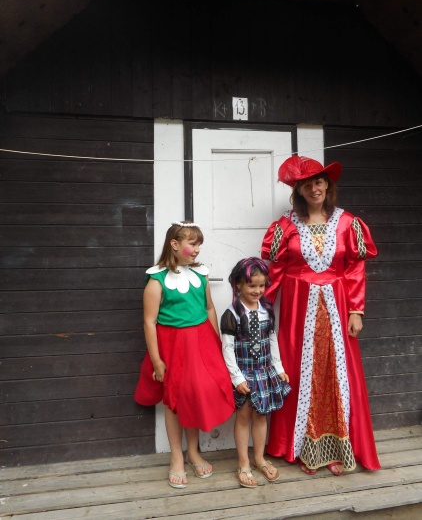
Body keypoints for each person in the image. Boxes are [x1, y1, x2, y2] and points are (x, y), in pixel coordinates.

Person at [261, 155, 381, 476]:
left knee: (335, 376)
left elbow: (354, 268)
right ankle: (302, 447)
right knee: (300, 375)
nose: (314, 189)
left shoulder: (346, 223)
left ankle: (338, 448)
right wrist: (261, 310)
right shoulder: (285, 226)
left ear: (327, 185)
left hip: (337, 311)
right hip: (298, 312)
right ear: (298, 191)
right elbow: (275, 272)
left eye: (319, 182)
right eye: (307, 185)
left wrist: (356, 310)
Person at [134, 221, 235, 489]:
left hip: (201, 343)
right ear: (175, 244)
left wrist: (215, 343)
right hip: (173, 346)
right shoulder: (157, 280)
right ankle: (176, 457)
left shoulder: (201, 275)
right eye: (193, 244)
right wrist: (157, 360)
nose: (197, 249)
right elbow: (149, 322)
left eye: (199, 244)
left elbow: (209, 308)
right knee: (175, 399)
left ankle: (193, 452)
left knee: (195, 394)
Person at [220, 257, 291, 488]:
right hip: (244, 374)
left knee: (261, 416)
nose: (257, 290)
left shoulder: (267, 311)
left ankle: (259, 458)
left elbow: (272, 340)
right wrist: (237, 378)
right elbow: (227, 348)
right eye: (252, 285)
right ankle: (243, 463)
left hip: (264, 372)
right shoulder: (232, 314)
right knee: (243, 417)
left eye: (261, 285)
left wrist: (279, 368)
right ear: (238, 284)